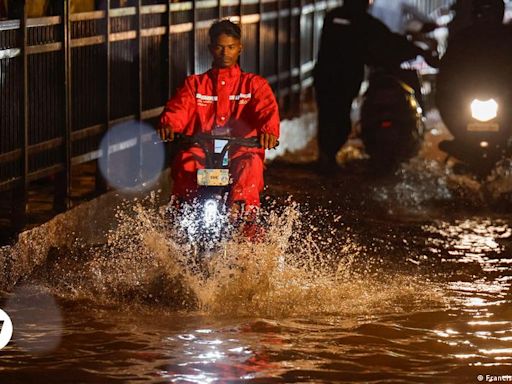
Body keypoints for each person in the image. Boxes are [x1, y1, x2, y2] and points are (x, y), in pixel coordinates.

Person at [158, 19, 280, 215]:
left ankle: (241, 217)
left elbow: (267, 110)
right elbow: (178, 109)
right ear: (211, 49)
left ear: (239, 48)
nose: (225, 53)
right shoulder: (195, 85)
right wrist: (169, 125)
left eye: (231, 47)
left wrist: (269, 132)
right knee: (185, 163)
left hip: (241, 151)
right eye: (220, 47)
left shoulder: (254, 85)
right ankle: (183, 216)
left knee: (250, 166)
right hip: (200, 151)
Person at [313, 0, 439, 171]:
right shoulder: (361, 22)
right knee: (338, 119)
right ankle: (327, 160)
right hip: (341, 79)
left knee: (331, 117)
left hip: (328, 78)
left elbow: (383, 41)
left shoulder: (337, 17)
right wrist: (420, 51)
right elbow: (386, 42)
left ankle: (326, 159)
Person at [436, 0, 512, 156]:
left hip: (504, 99)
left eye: (490, 13)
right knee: (443, 97)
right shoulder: (462, 40)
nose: (486, 18)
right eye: (482, 13)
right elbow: (447, 72)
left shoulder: (508, 38)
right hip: (468, 99)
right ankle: (460, 138)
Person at [370, 0, 437, 35]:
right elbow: (417, 13)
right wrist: (433, 22)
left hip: (379, 35)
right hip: (396, 34)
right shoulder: (400, 1)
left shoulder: (375, 4)